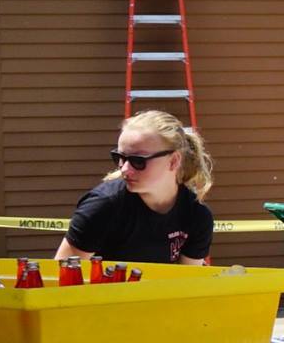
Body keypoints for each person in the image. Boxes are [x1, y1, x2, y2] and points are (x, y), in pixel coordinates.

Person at [56, 111, 215, 266]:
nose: (124, 169)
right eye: (120, 158)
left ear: (173, 161)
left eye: (138, 161)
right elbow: (62, 277)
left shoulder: (197, 216)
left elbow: (186, 284)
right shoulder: (103, 206)